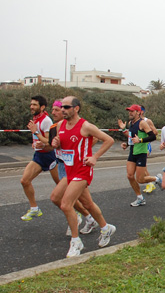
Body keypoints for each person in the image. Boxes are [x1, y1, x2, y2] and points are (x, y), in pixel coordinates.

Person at [50, 96, 116, 258]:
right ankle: (106, 228)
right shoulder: (60, 126)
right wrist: (56, 144)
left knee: (66, 204)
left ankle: (76, 241)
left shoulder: (85, 126)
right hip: (69, 170)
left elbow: (109, 140)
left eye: (66, 107)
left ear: (76, 108)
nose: (63, 110)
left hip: (83, 171)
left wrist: (94, 157)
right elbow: (62, 145)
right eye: (62, 107)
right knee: (60, 198)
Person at [37, 100, 97, 236]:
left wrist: (82, 152)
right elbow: (53, 147)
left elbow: (95, 139)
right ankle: (88, 220)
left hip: (73, 165)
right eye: (55, 110)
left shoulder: (77, 125)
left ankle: (83, 223)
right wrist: (42, 145)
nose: (55, 112)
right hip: (62, 164)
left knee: (65, 199)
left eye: (58, 109)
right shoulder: (56, 127)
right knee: (71, 199)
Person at [20, 95, 59, 221]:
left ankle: (77, 210)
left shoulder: (46, 120)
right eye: (31, 104)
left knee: (62, 187)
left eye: (35, 105)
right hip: (39, 155)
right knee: (25, 181)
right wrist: (35, 142)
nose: (31, 107)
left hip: (50, 155)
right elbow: (40, 139)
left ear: (42, 107)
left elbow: (49, 141)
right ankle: (34, 209)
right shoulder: (35, 119)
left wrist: (36, 133)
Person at [118, 104, 157, 207]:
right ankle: (140, 198)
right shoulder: (131, 123)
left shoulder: (143, 123)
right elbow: (131, 137)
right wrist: (126, 142)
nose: (130, 113)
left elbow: (153, 136)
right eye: (129, 111)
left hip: (141, 152)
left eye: (132, 111)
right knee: (130, 176)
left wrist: (140, 140)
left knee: (140, 179)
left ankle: (157, 179)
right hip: (132, 151)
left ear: (138, 112)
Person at [139, 106, 159, 193]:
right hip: (137, 146)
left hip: (146, 145)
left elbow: (155, 132)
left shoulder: (147, 121)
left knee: (143, 166)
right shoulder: (134, 122)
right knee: (141, 167)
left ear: (141, 112)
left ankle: (151, 183)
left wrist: (147, 132)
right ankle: (150, 183)